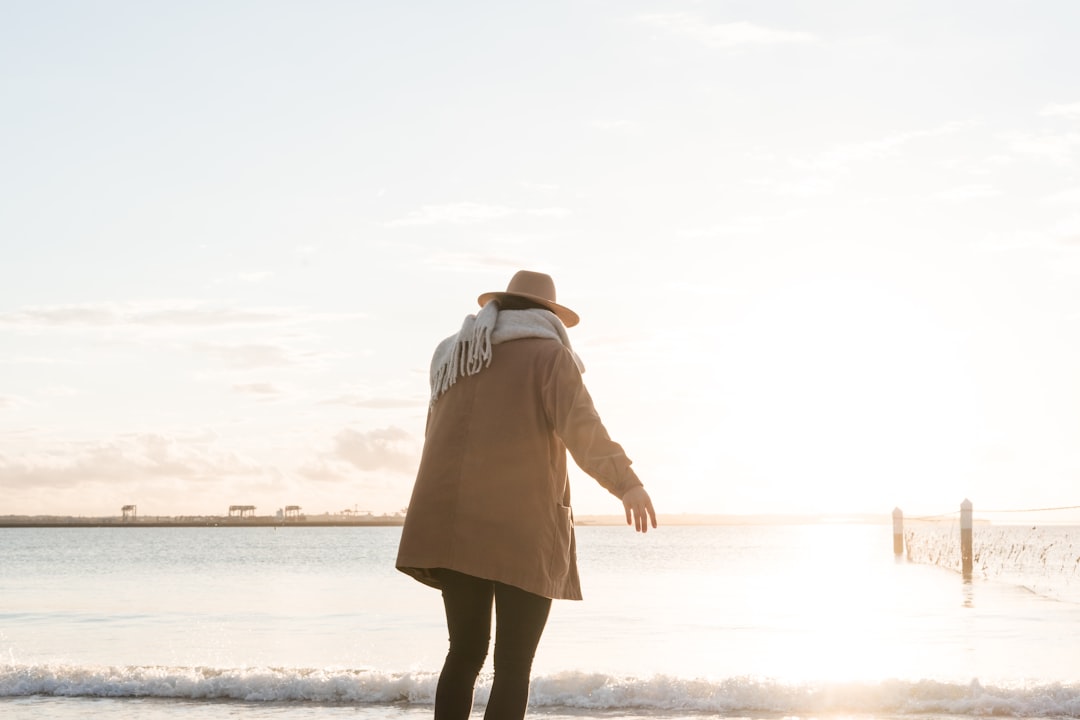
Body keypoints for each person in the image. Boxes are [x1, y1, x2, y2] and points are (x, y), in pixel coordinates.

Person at [396, 269, 657, 720]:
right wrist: (627, 483)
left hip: (451, 526)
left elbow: (432, 436)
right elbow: (584, 431)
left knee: (464, 653)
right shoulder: (549, 356)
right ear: (548, 315)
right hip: (522, 528)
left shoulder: (454, 354)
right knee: (513, 666)